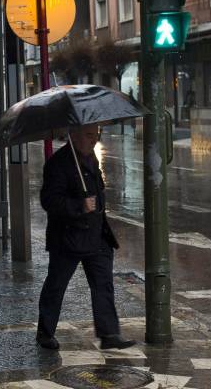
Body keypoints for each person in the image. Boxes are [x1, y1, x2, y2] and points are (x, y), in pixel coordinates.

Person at [36, 124, 136, 350]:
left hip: (96, 235)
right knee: (57, 284)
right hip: (68, 237)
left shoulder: (90, 158)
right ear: (73, 135)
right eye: (89, 135)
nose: (94, 140)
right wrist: (79, 205)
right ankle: (45, 331)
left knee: (103, 284)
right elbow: (49, 201)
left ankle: (109, 333)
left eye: (96, 134)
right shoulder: (58, 163)